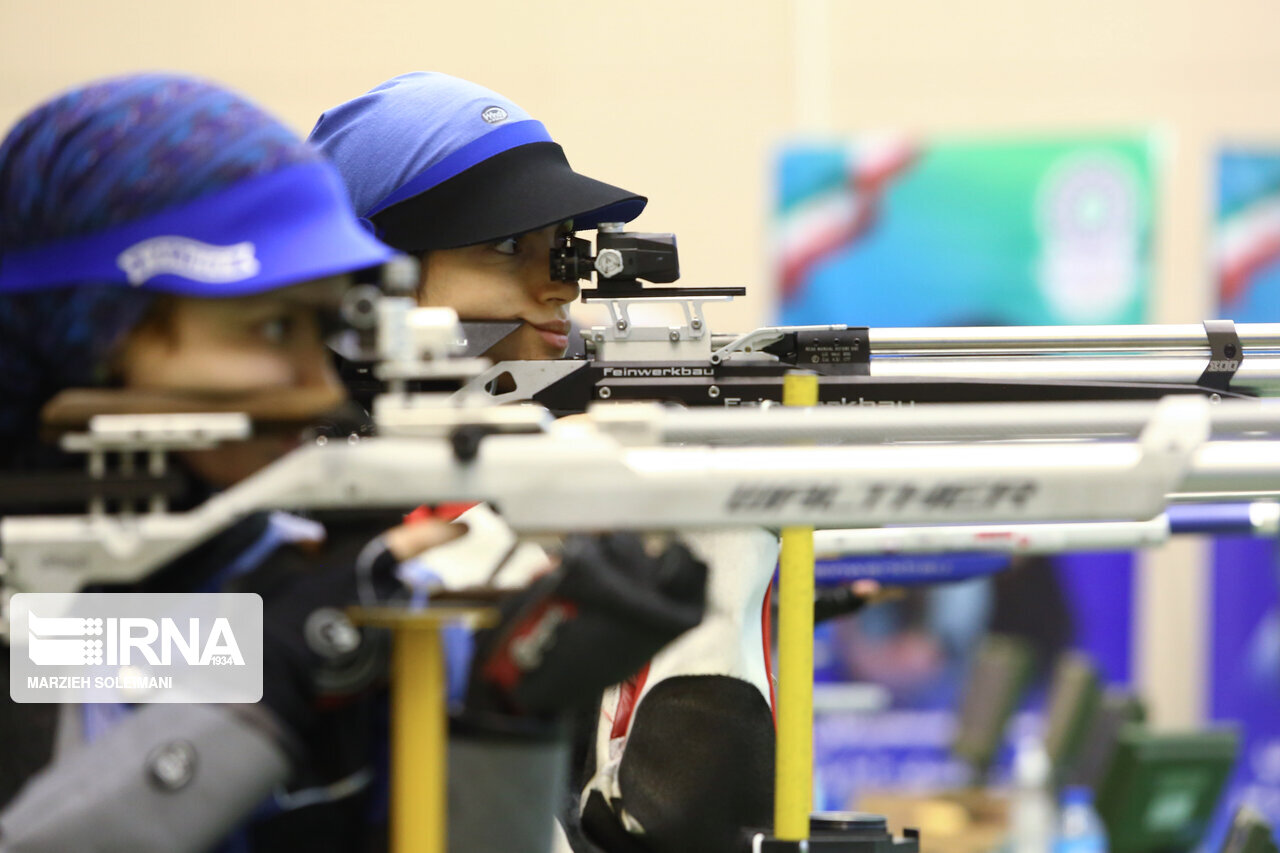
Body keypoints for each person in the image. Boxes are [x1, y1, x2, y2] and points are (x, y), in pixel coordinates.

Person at [0, 73, 707, 853]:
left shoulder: (318, 574)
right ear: (93, 331)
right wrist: (288, 664)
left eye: (329, 328)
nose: (317, 385)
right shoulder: (60, 606)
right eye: (271, 330)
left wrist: (507, 718)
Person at [311, 71, 803, 853]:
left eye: (563, 248)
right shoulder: (276, 500)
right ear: (374, 280)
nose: (560, 286)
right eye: (506, 247)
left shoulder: (558, 440)